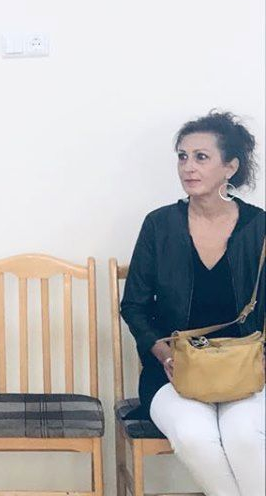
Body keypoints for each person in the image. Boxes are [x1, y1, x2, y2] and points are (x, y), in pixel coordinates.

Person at [121, 111, 265, 496]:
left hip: (246, 369)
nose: (188, 167)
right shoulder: (159, 225)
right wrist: (163, 352)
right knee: (195, 436)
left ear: (230, 167)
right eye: (182, 157)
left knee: (245, 438)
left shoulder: (259, 227)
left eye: (201, 157)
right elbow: (133, 304)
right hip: (174, 372)